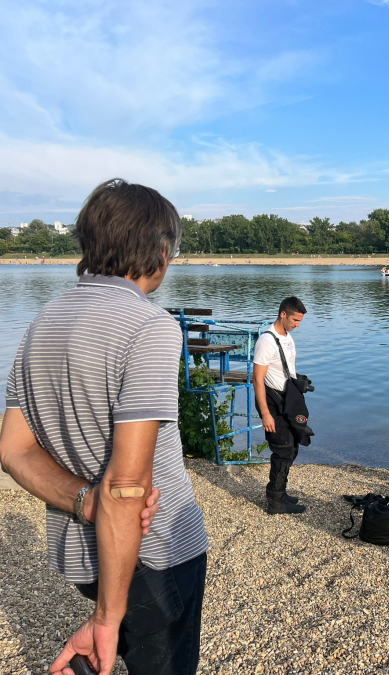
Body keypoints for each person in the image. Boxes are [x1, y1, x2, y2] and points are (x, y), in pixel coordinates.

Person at [0, 179, 209, 675]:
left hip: (86, 556)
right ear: (161, 251)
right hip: (154, 555)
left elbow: (11, 449)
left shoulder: (41, 323)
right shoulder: (150, 326)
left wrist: (81, 500)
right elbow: (126, 486)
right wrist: (106, 618)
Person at [252, 297, 309, 515]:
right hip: (272, 403)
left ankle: (281, 492)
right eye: (295, 320)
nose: (298, 325)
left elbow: (287, 370)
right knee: (283, 451)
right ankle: (275, 501)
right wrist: (265, 414)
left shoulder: (287, 337)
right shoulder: (267, 341)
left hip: (287, 400)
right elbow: (257, 379)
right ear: (283, 314)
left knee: (292, 446)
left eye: (300, 321)